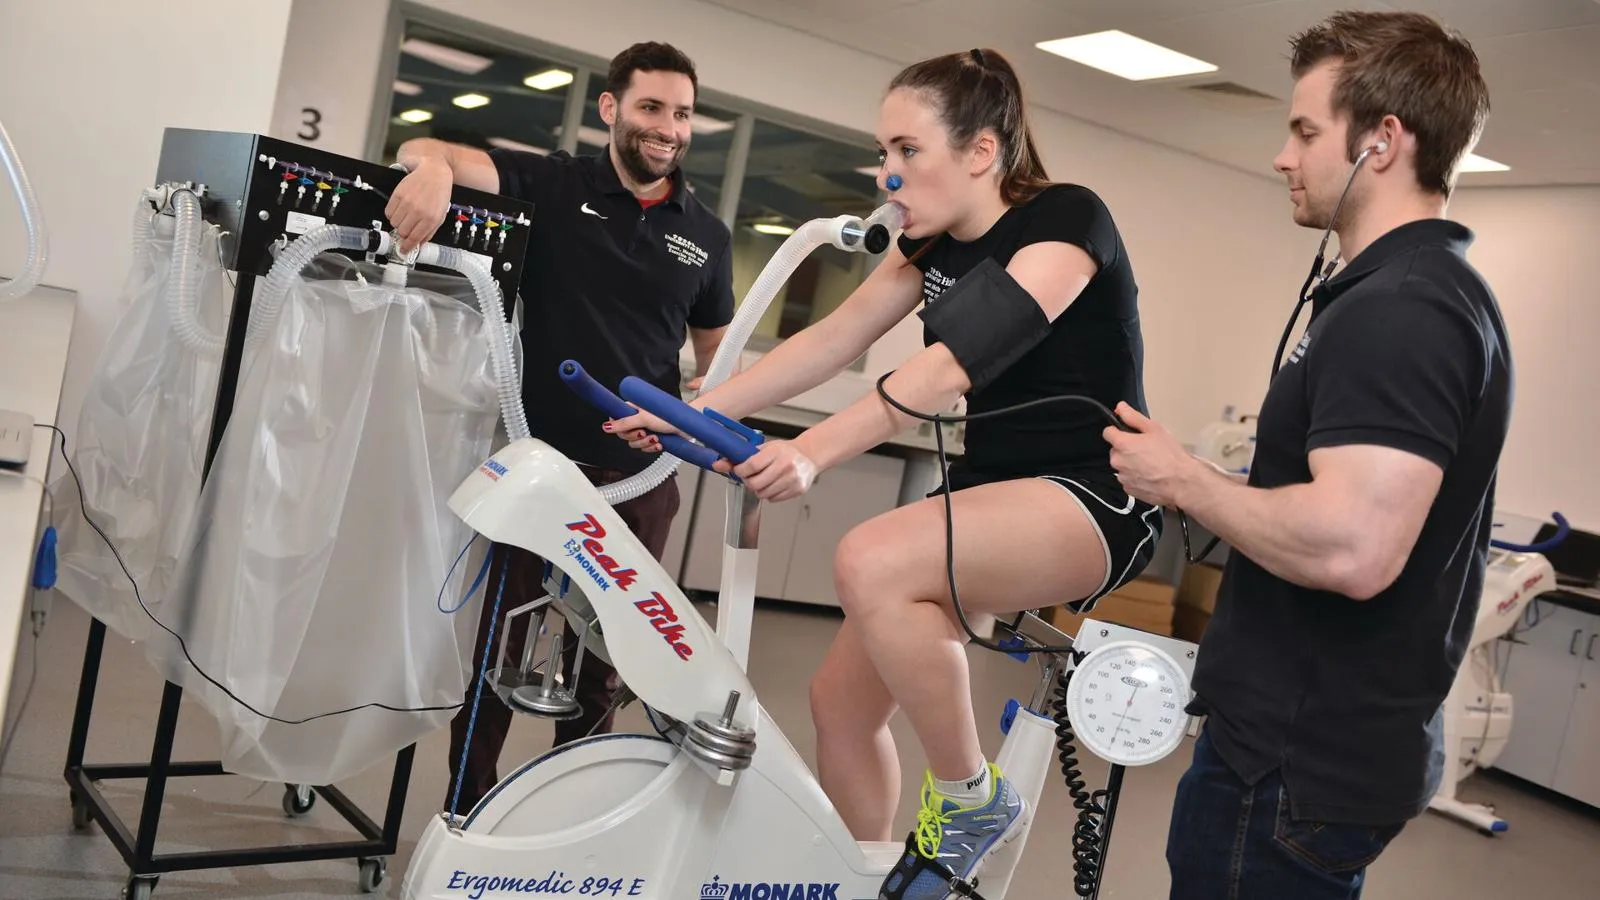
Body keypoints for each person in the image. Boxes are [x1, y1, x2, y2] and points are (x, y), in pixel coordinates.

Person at [608, 47, 1162, 898]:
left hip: (1094, 497)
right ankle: (855, 878)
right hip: (989, 493)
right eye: (884, 153)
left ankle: (970, 798)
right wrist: (700, 406)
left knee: (870, 558)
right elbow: (834, 338)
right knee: (839, 705)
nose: (888, 174)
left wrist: (810, 451)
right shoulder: (926, 239)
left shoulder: (1067, 224)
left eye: (908, 151)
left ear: (981, 151)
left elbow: (948, 371)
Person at [1103, 10, 1507, 900]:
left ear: (1383, 142)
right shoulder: (1399, 293)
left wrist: (1183, 479)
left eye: (1305, 131)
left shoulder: (1404, 307)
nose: (1283, 156)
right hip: (1304, 750)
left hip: (1293, 765)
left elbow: (1351, 547)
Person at [383, 41, 735, 812]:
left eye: (681, 113)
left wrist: (690, 418)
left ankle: (571, 826)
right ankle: (466, 816)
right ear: (611, 109)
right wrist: (433, 172)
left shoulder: (705, 234)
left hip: (642, 482)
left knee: (606, 667)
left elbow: (716, 363)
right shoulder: (553, 182)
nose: (667, 128)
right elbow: (424, 146)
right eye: (650, 108)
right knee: (502, 654)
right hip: (540, 470)